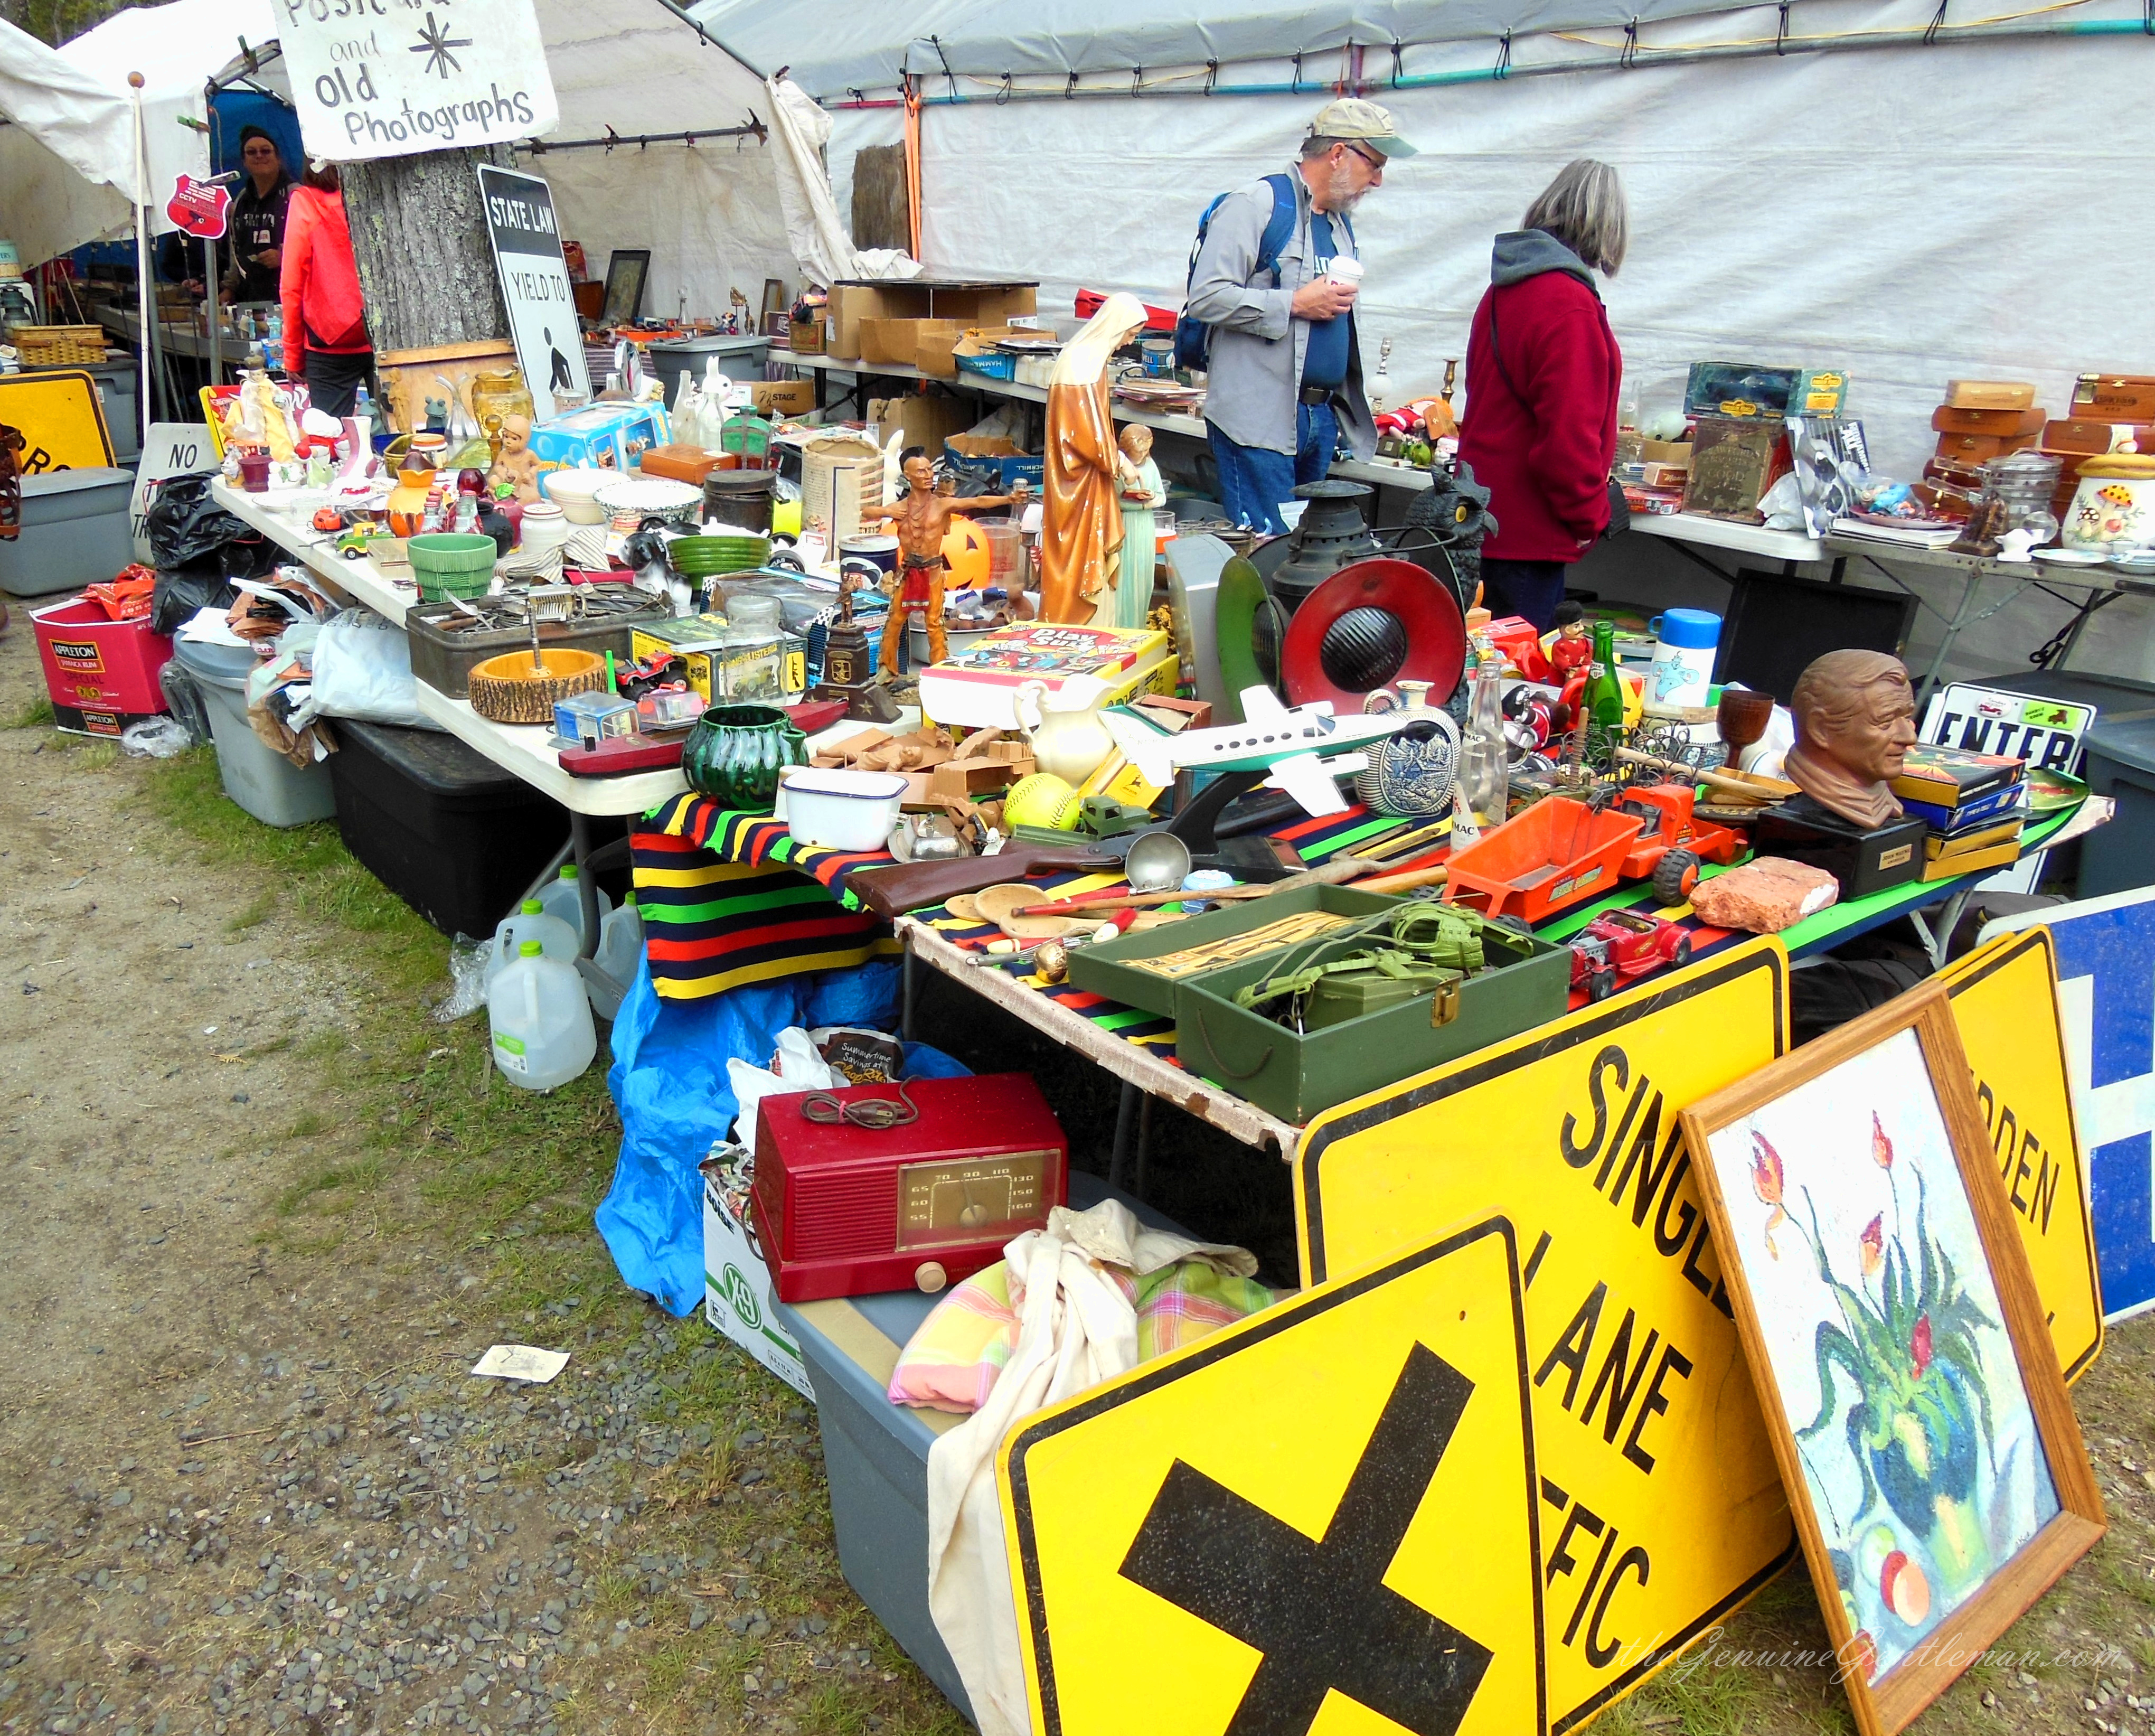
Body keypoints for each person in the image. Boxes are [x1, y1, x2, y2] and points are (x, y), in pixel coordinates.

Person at [1185, 98, 1414, 533]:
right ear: (1338, 153)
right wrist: (1292, 303)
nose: (1379, 181)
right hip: (1259, 422)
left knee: (1304, 557)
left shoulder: (1340, 224)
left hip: (1318, 420)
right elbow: (1206, 297)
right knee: (1266, 554)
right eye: (1376, 165)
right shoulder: (1256, 205)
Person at [1457, 159, 1628, 631]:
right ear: (1606, 228)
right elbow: (1566, 441)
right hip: (1526, 537)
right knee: (1516, 687)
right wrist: (1592, 516)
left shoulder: (1503, 291)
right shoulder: (1568, 303)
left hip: (1479, 518)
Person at [860, 448, 1030, 675]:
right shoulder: (899, 509)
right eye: (921, 471)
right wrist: (887, 511)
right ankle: (887, 671)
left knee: (934, 624)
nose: (929, 475)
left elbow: (978, 500)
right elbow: (866, 512)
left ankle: (940, 670)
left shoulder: (942, 505)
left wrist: (1008, 498)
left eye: (930, 469)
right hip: (908, 572)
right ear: (908, 476)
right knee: (894, 622)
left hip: (932, 572)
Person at [1039, 292, 1146, 624]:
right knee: (1077, 563)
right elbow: (1088, 436)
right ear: (1116, 328)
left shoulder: (1091, 363)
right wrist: (1123, 465)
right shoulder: (1080, 364)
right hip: (1077, 487)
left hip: (1089, 484)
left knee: (1091, 566)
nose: (1127, 343)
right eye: (1129, 335)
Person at [279, 161, 373, 418]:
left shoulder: (307, 201)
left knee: (331, 440)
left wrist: (293, 356)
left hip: (330, 341)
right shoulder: (379, 192)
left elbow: (292, 285)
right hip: (388, 336)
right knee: (405, 437)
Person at [223, 126, 292, 306]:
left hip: (289, 295)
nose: (259, 156)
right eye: (251, 152)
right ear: (244, 162)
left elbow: (316, 244)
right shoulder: (241, 200)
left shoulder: (296, 195)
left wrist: (284, 256)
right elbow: (235, 249)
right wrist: (229, 288)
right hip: (250, 297)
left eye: (266, 151)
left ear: (278, 159)